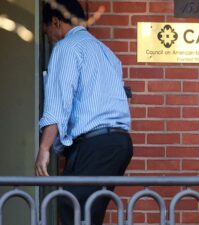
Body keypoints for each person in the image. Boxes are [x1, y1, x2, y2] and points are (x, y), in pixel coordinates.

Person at [35, 0, 133, 225]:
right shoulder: (105, 52)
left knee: (73, 209)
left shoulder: (66, 48)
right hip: (119, 142)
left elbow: (58, 102)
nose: (49, 37)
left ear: (56, 22)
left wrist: (44, 148)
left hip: (94, 144)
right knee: (88, 213)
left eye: (47, 30)